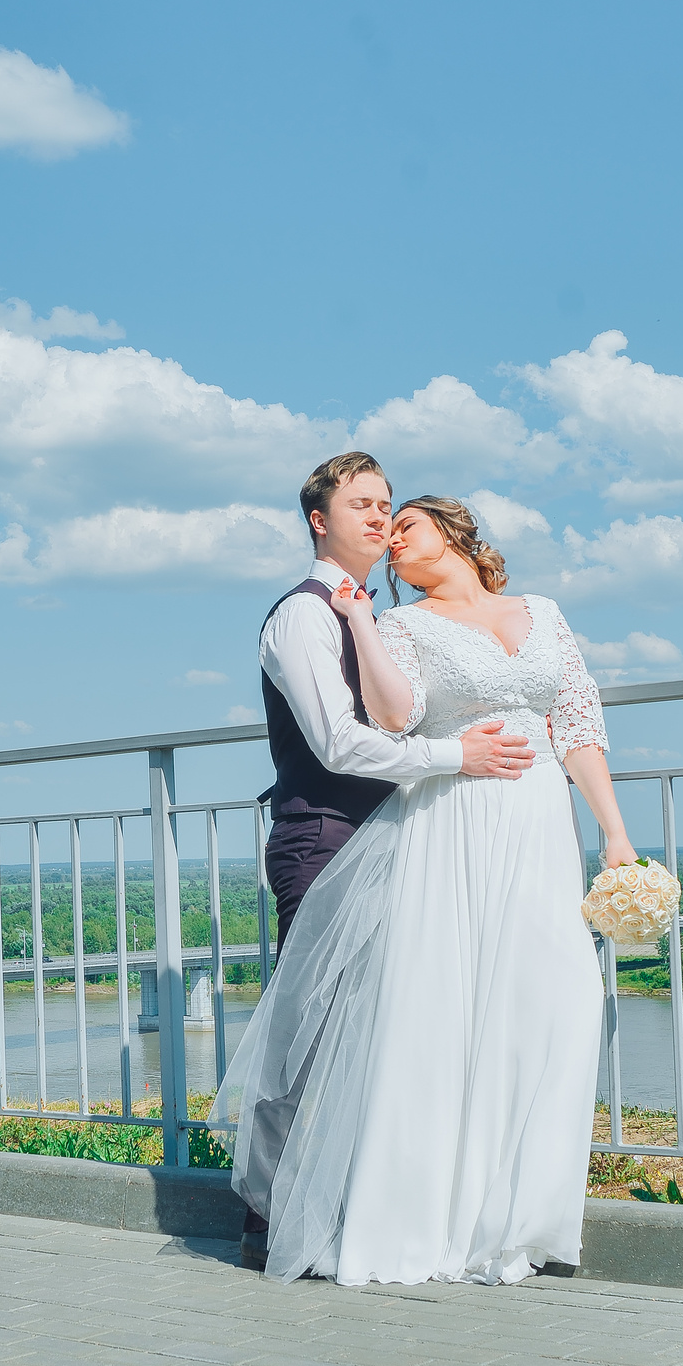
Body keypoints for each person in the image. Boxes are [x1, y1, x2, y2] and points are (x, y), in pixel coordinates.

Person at [219, 494, 638, 1286]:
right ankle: (424, 1217)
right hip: (453, 820)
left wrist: (614, 833)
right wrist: (361, 625)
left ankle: (522, 1217)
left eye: (402, 520)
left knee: (556, 1004)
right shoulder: (398, 624)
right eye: (375, 517)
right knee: (444, 1016)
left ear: (450, 531)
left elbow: (577, 723)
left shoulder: (543, 613)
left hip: (540, 823)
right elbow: (394, 713)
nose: (389, 536)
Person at [243, 454, 539, 1270]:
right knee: (309, 1030)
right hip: (324, 837)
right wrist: (457, 757)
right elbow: (338, 741)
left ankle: (345, 1214)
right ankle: (269, 1220)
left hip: (395, 842)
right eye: (361, 505)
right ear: (318, 519)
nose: (379, 518)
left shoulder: (373, 613)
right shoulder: (302, 618)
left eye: (385, 505)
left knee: (376, 1034)